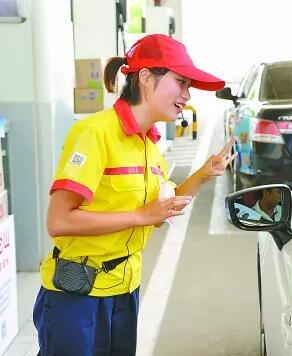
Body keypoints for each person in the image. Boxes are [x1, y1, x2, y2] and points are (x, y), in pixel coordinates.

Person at [33, 34, 236, 355]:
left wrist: (203, 174)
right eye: (181, 83)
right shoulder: (94, 133)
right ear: (145, 77)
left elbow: (158, 213)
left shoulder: (148, 144)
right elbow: (58, 220)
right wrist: (140, 216)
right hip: (78, 295)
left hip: (125, 291)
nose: (186, 95)